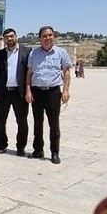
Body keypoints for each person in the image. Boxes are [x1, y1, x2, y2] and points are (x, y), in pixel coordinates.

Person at [25, 25, 72, 165]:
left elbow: (66, 72)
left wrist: (66, 90)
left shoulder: (61, 52)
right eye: (44, 36)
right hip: (37, 92)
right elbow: (29, 74)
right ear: (40, 38)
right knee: (37, 123)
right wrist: (28, 90)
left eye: (50, 35)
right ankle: (38, 150)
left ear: (54, 36)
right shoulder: (34, 54)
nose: (47, 38)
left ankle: (54, 152)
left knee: (54, 124)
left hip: (53, 92)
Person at [0, 28, 31, 156]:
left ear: (16, 36)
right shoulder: (0, 54)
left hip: (19, 93)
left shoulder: (27, 52)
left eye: (11, 36)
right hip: (3, 93)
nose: (9, 39)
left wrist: (29, 91)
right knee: (1, 121)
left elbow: (30, 73)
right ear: (4, 39)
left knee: (22, 121)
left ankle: (21, 147)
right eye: (7, 37)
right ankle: (2, 144)